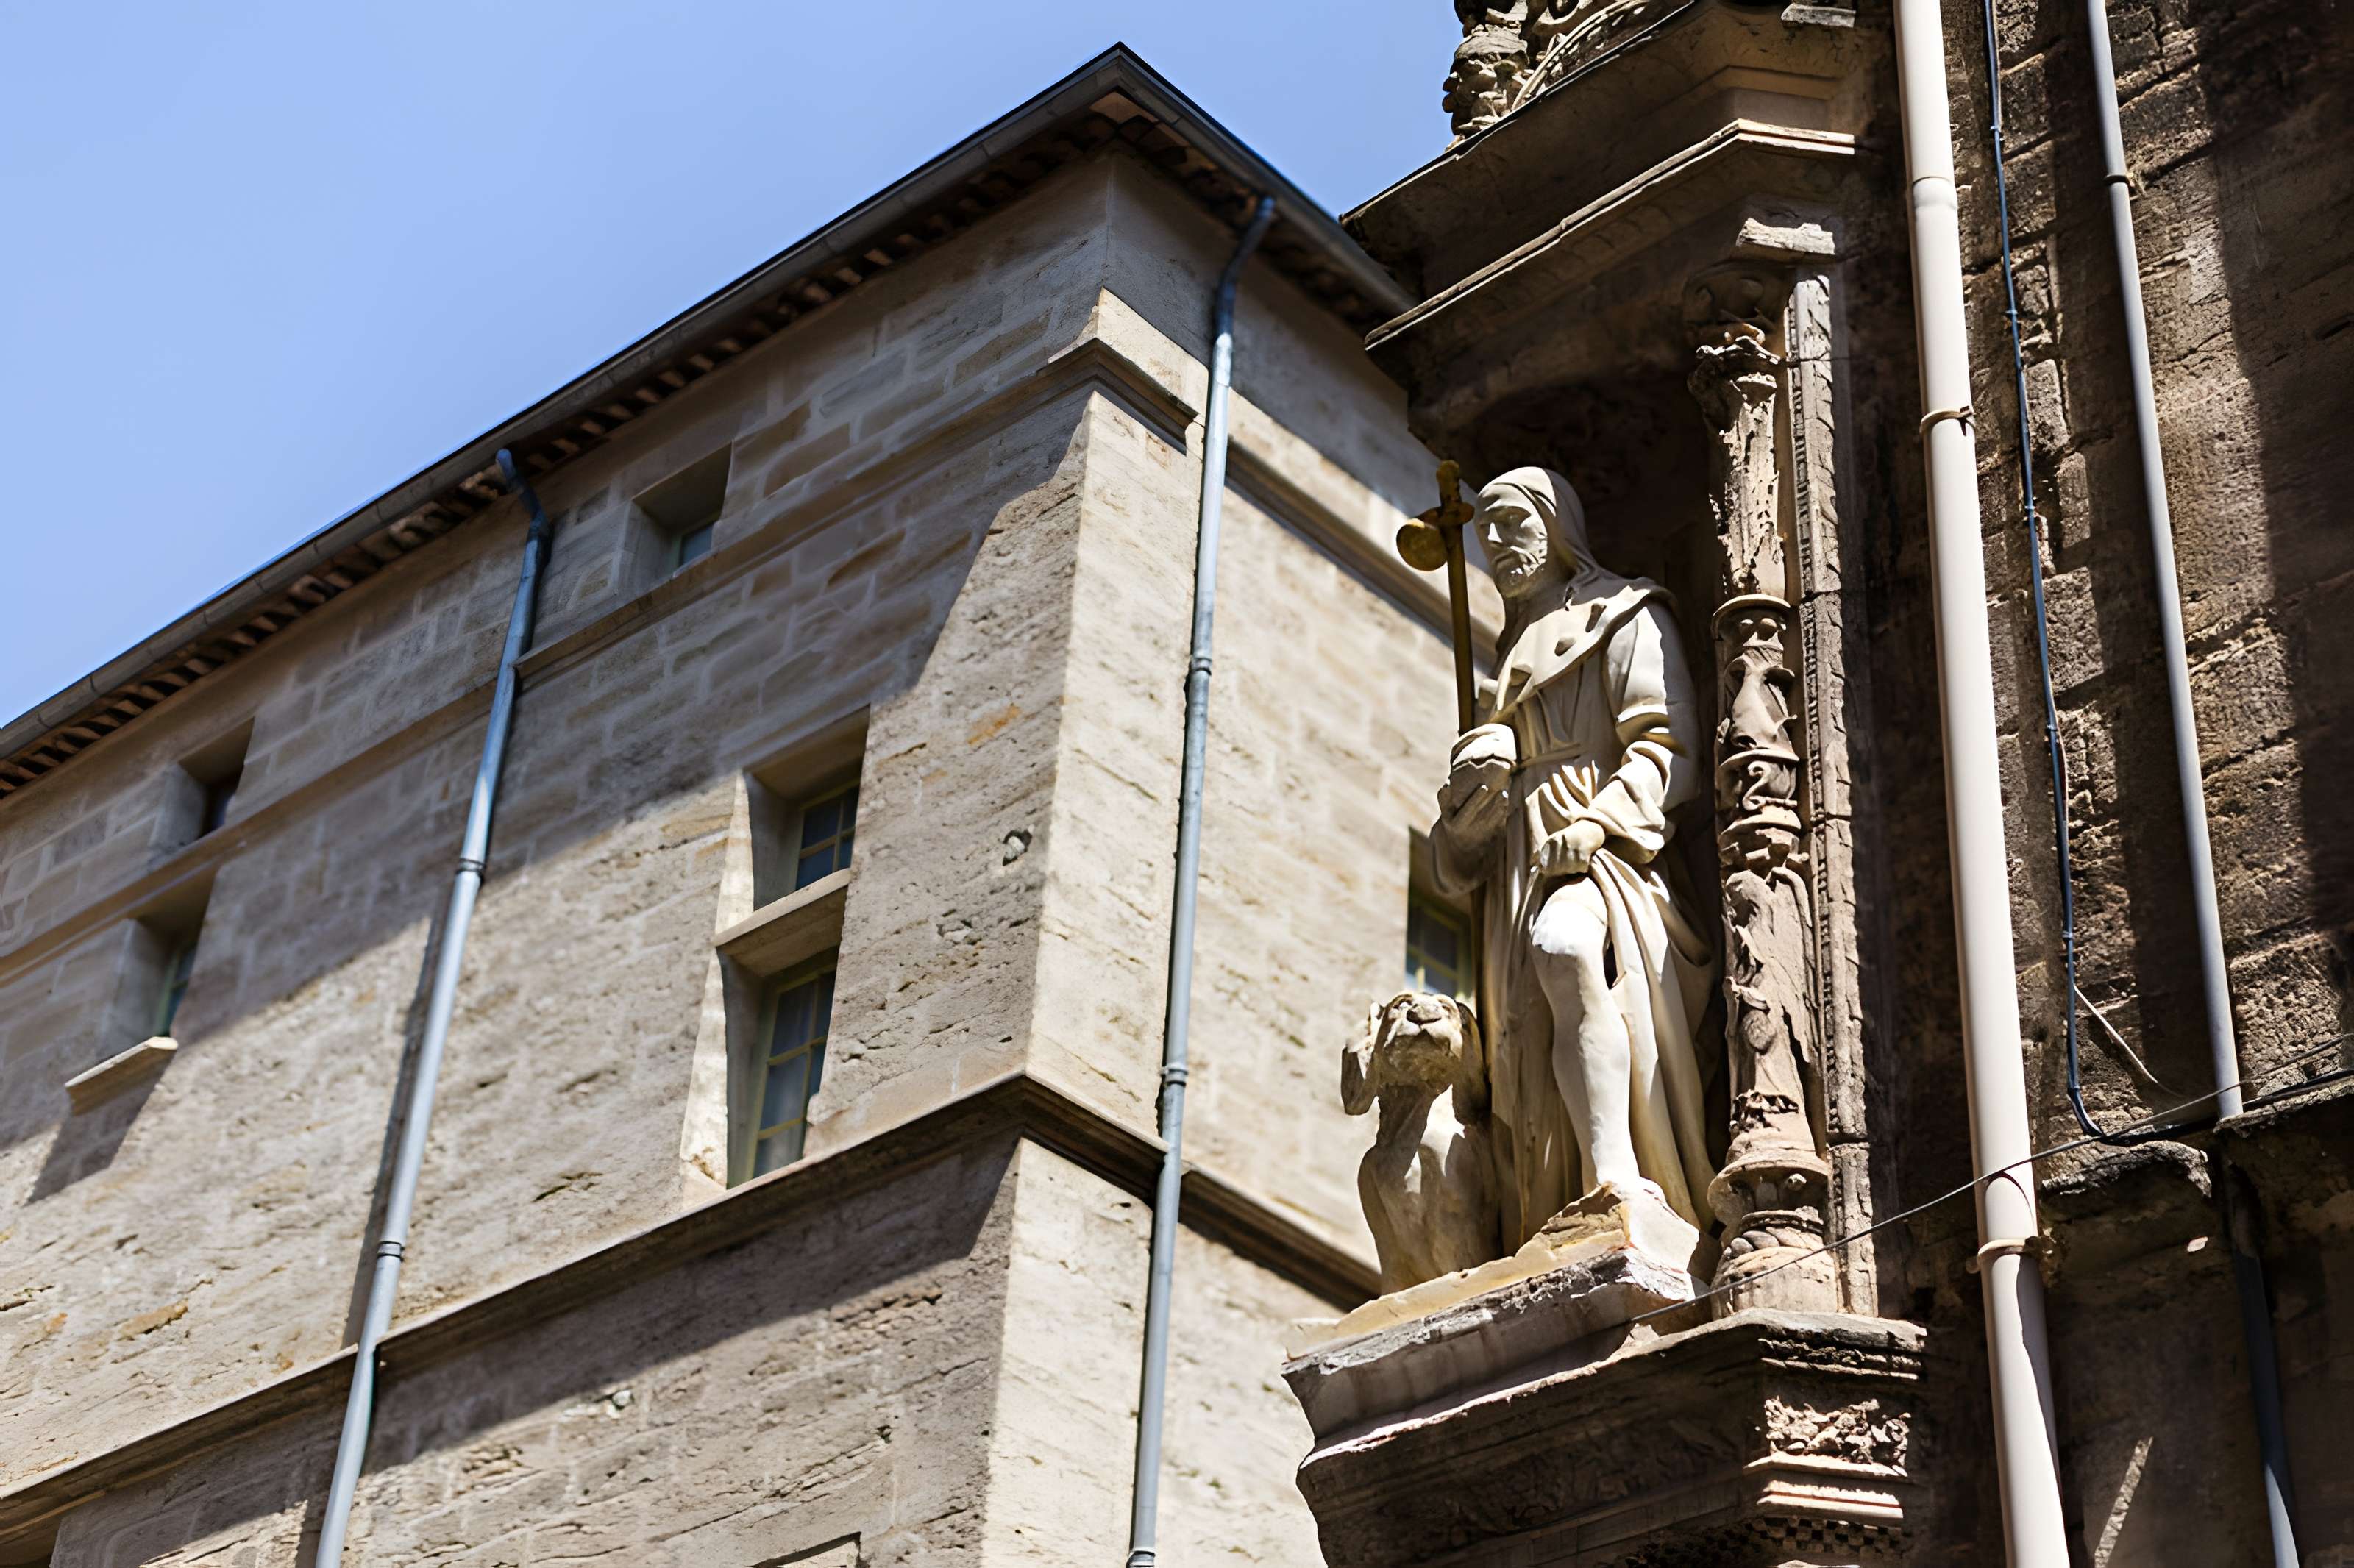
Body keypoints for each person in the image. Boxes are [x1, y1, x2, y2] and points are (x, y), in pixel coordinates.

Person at [1431, 466, 1717, 1244]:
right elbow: (1456, 859)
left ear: (1556, 526)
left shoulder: (1624, 612)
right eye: (1482, 528)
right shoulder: (1502, 654)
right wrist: (1472, 794)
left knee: (1564, 948)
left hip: (1604, 848)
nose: (1493, 542)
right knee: (1517, 1044)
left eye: (1511, 521)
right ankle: (1551, 1211)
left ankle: (1615, 1179)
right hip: (1519, 862)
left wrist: (1595, 824)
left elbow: (1664, 743)